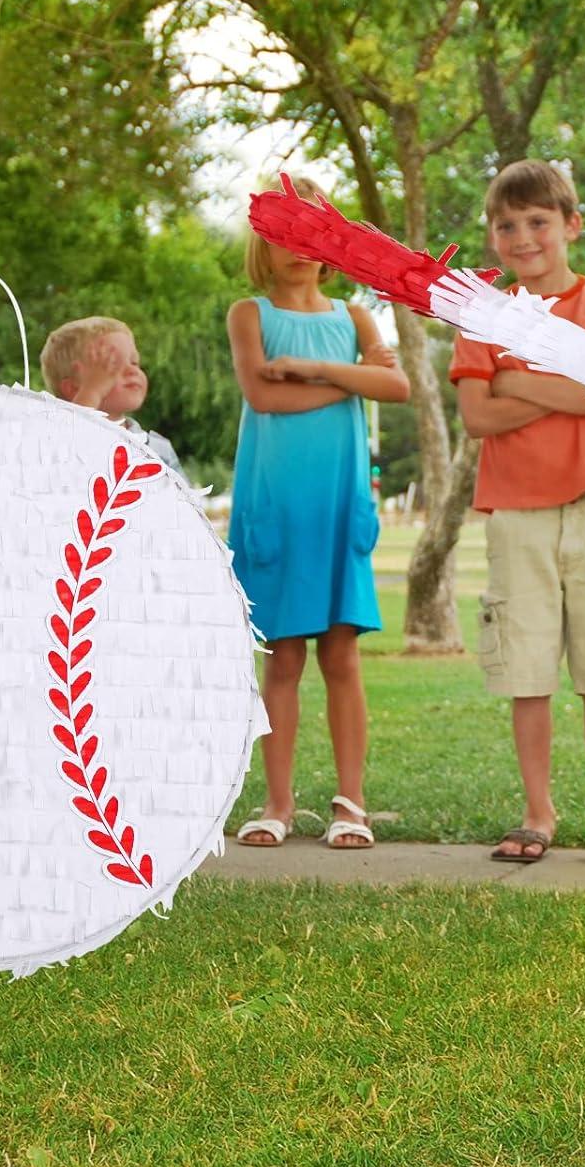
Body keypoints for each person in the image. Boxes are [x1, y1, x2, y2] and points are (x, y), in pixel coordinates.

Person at [450, 159, 585, 869]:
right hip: (516, 513)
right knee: (526, 673)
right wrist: (565, 382)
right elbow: (477, 415)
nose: (522, 237)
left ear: (571, 225)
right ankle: (538, 813)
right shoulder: (483, 311)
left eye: (538, 221)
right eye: (507, 225)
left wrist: (518, 378)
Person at [225, 175, 411, 851]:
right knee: (282, 660)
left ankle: (350, 804)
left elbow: (397, 385)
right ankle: (277, 802)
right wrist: (346, 384)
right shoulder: (248, 314)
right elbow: (263, 399)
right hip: (277, 508)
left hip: (339, 508)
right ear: (264, 244)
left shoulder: (354, 318)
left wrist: (312, 369)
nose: (300, 249)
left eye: (313, 233)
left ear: (331, 244)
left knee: (342, 656)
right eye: (285, 234)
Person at [39, 315, 180, 472]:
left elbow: (186, 496)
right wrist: (90, 393)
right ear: (73, 388)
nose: (131, 370)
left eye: (134, 362)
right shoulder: (59, 442)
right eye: (113, 364)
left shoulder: (158, 449)